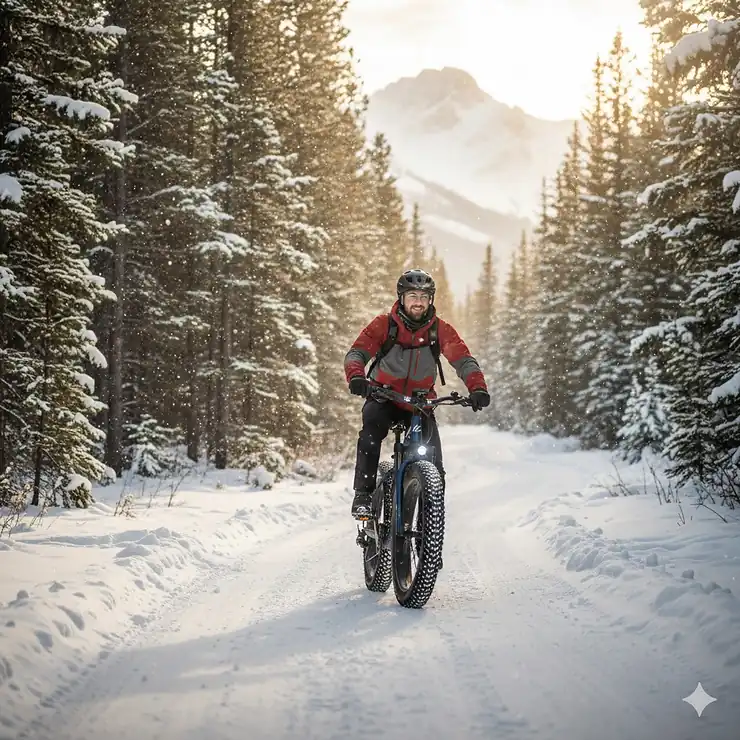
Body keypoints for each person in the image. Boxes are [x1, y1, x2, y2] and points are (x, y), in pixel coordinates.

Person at [344, 268, 490, 519]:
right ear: (401, 298)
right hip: (384, 396)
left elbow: (464, 360)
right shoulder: (384, 325)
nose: (418, 302)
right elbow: (356, 354)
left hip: (420, 404)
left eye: (424, 296)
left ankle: (428, 536)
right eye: (413, 295)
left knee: (435, 467)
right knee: (370, 435)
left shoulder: (439, 330)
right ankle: (364, 496)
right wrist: (357, 376)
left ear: (431, 299)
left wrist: (477, 388)